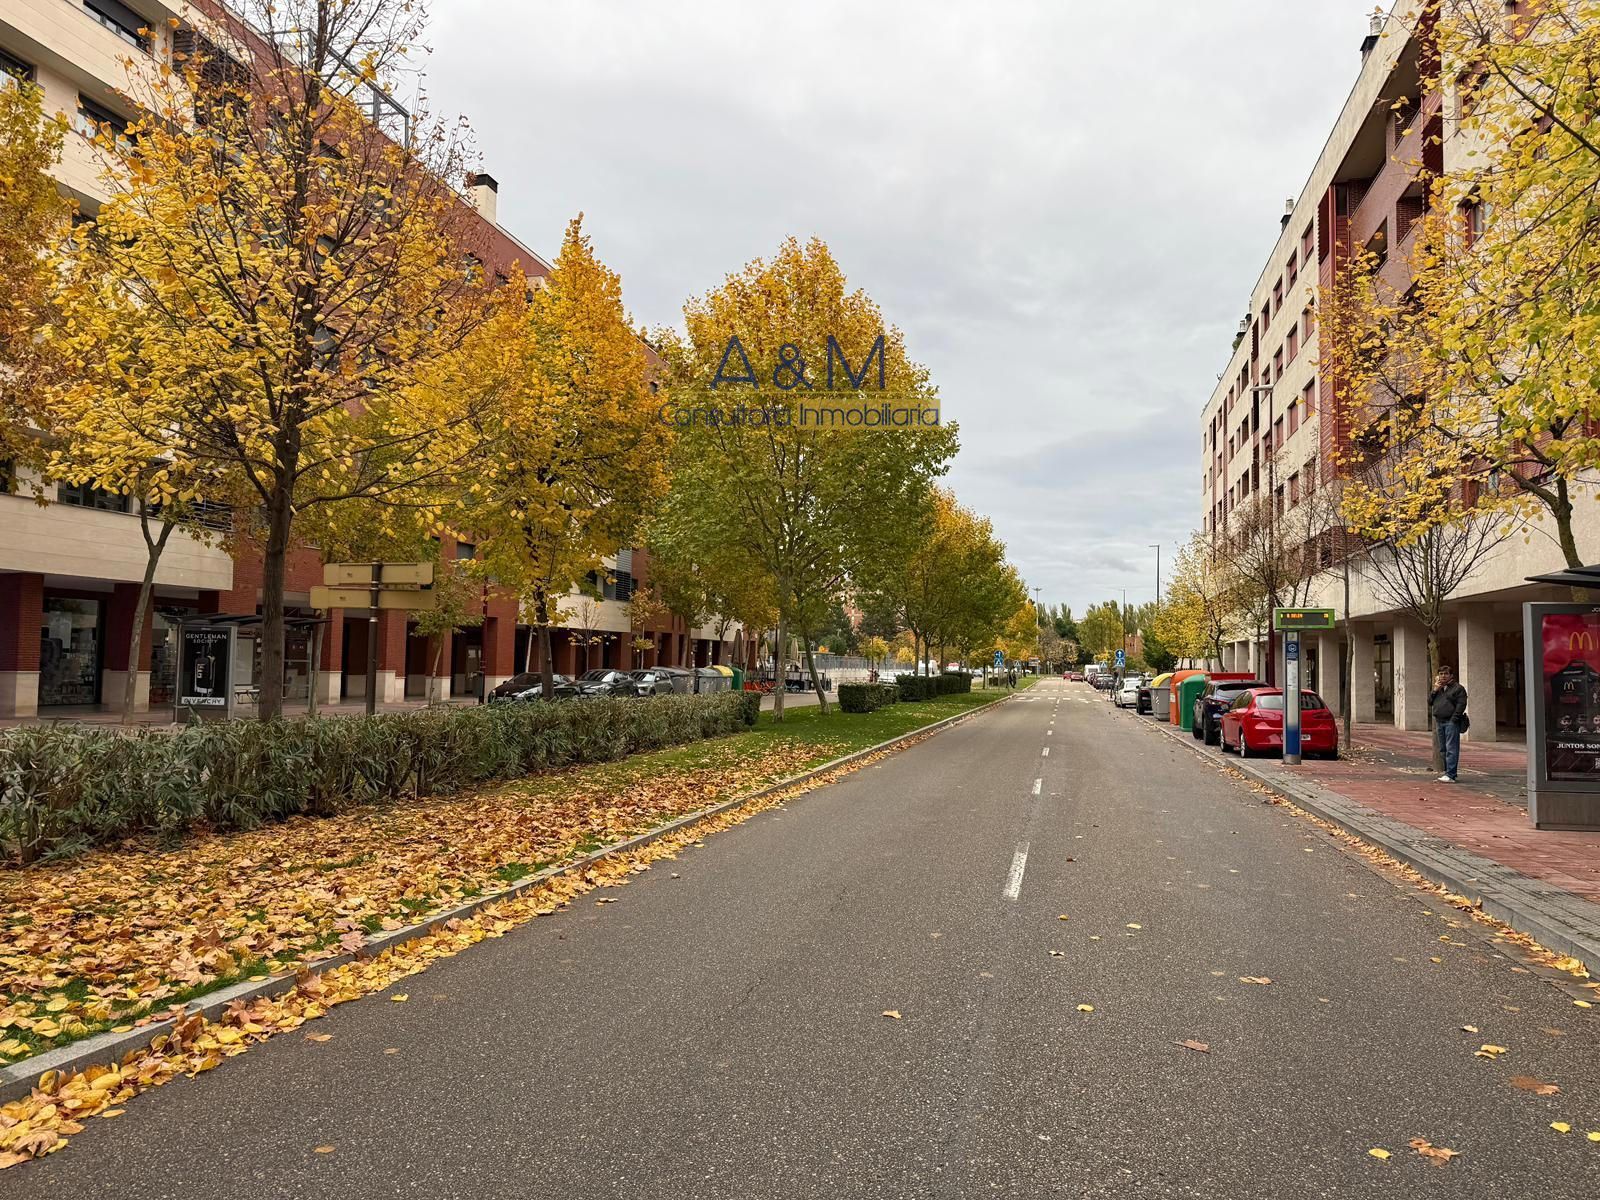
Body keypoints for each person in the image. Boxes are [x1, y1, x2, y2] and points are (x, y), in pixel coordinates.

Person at [1429, 666, 1469, 783]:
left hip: (1451, 722)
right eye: (1441, 674)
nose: (1443, 676)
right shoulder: (1439, 689)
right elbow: (1430, 702)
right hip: (1439, 721)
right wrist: (1435, 690)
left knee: (1451, 748)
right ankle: (1448, 772)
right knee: (1443, 749)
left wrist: (1454, 719)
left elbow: (1461, 705)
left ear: (1451, 675)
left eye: (1446, 674)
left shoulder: (1458, 689)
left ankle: (1451, 774)